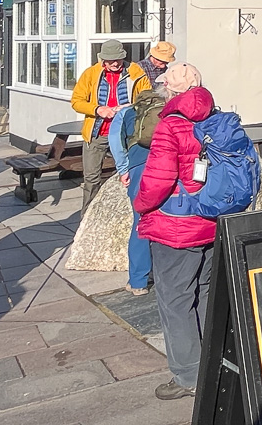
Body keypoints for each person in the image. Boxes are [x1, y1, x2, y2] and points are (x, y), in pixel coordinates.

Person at [133, 63, 217, 401]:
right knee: (205, 292)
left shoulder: (170, 124)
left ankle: (188, 376)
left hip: (175, 226)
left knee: (175, 300)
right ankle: (213, 363)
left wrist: (140, 205)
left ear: (169, 89)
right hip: (211, 219)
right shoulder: (216, 116)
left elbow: (157, 180)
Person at [70, 39, 150, 211]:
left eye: (118, 59)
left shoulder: (136, 72)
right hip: (97, 133)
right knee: (91, 179)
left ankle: (127, 213)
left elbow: (147, 99)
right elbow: (76, 101)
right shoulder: (90, 74)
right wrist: (98, 109)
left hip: (127, 134)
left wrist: (129, 107)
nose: (115, 63)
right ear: (103, 59)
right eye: (111, 60)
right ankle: (88, 218)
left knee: (130, 174)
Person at [108, 77, 168, 296]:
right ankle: (167, 275)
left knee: (141, 222)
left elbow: (115, 141)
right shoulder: (172, 108)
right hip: (167, 166)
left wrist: (124, 170)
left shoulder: (127, 112)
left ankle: (138, 281)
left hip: (139, 168)